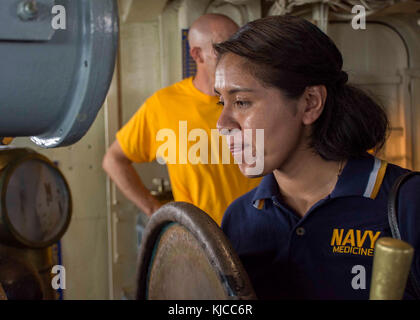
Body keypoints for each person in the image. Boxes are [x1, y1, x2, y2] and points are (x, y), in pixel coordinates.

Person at [214, 15, 420, 299]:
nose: (222, 124)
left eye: (241, 102)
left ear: (310, 103)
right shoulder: (240, 219)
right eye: (221, 102)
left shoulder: (408, 203)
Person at [102, 14, 261, 226]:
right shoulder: (164, 105)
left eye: (240, 45)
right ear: (197, 54)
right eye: (224, 48)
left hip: (264, 234)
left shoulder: (258, 95)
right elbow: (113, 160)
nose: (237, 55)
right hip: (203, 240)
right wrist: (155, 211)